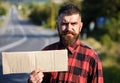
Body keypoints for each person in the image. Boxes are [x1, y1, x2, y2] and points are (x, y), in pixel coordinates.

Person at [28, 4, 104, 83]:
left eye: (73, 24)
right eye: (64, 24)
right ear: (58, 26)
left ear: (80, 27)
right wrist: (31, 81)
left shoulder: (91, 58)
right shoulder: (46, 53)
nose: (69, 28)